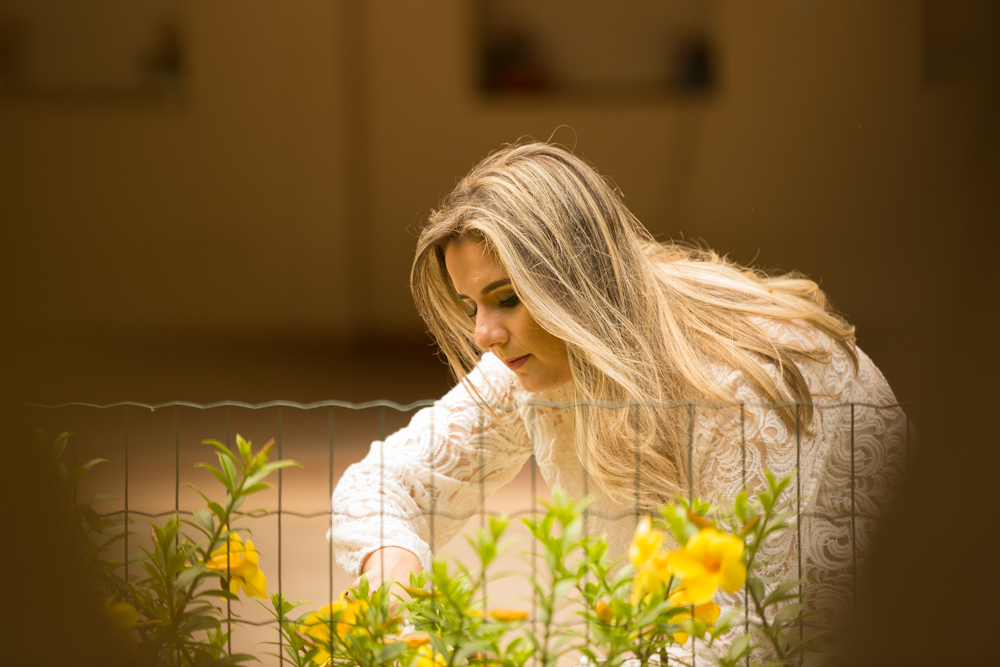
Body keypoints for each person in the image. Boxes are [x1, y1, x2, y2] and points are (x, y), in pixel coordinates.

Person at [329, 142, 906, 658]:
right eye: (470, 305)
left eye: (506, 298)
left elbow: (735, 644)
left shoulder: (740, 390)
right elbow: (381, 483)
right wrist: (394, 576)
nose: (483, 334)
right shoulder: (538, 361)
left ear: (575, 281)